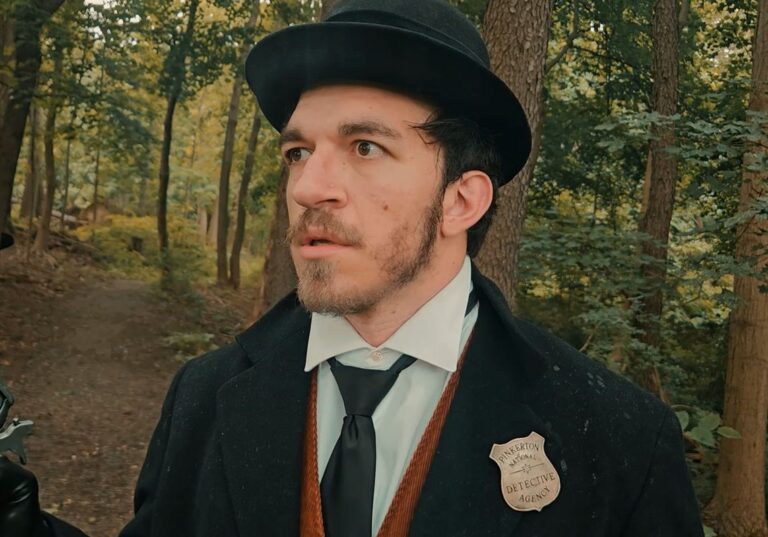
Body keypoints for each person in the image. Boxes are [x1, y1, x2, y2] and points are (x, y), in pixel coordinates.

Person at [0, 0, 704, 535]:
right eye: (298, 152)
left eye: (365, 146)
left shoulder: (619, 439)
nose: (308, 187)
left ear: (462, 199)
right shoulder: (204, 396)